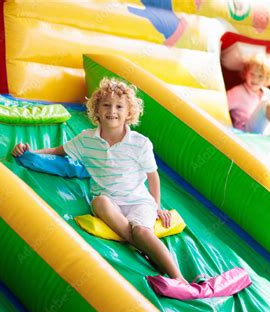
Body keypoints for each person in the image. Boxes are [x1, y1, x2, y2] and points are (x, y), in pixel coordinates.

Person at [12, 77, 187, 283]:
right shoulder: (87, 140)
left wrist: (157, 207)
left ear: (129, 113)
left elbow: (153, 175)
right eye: (106, 105)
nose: (112, 110)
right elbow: (58, 151)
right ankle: (136, 242)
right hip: (109, 202)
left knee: (141, 230)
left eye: (119, 106)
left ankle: (179, 279)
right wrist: (30, 152)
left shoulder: (140, 143)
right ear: (96, 109)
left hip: (138, 201)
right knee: (99, 202)